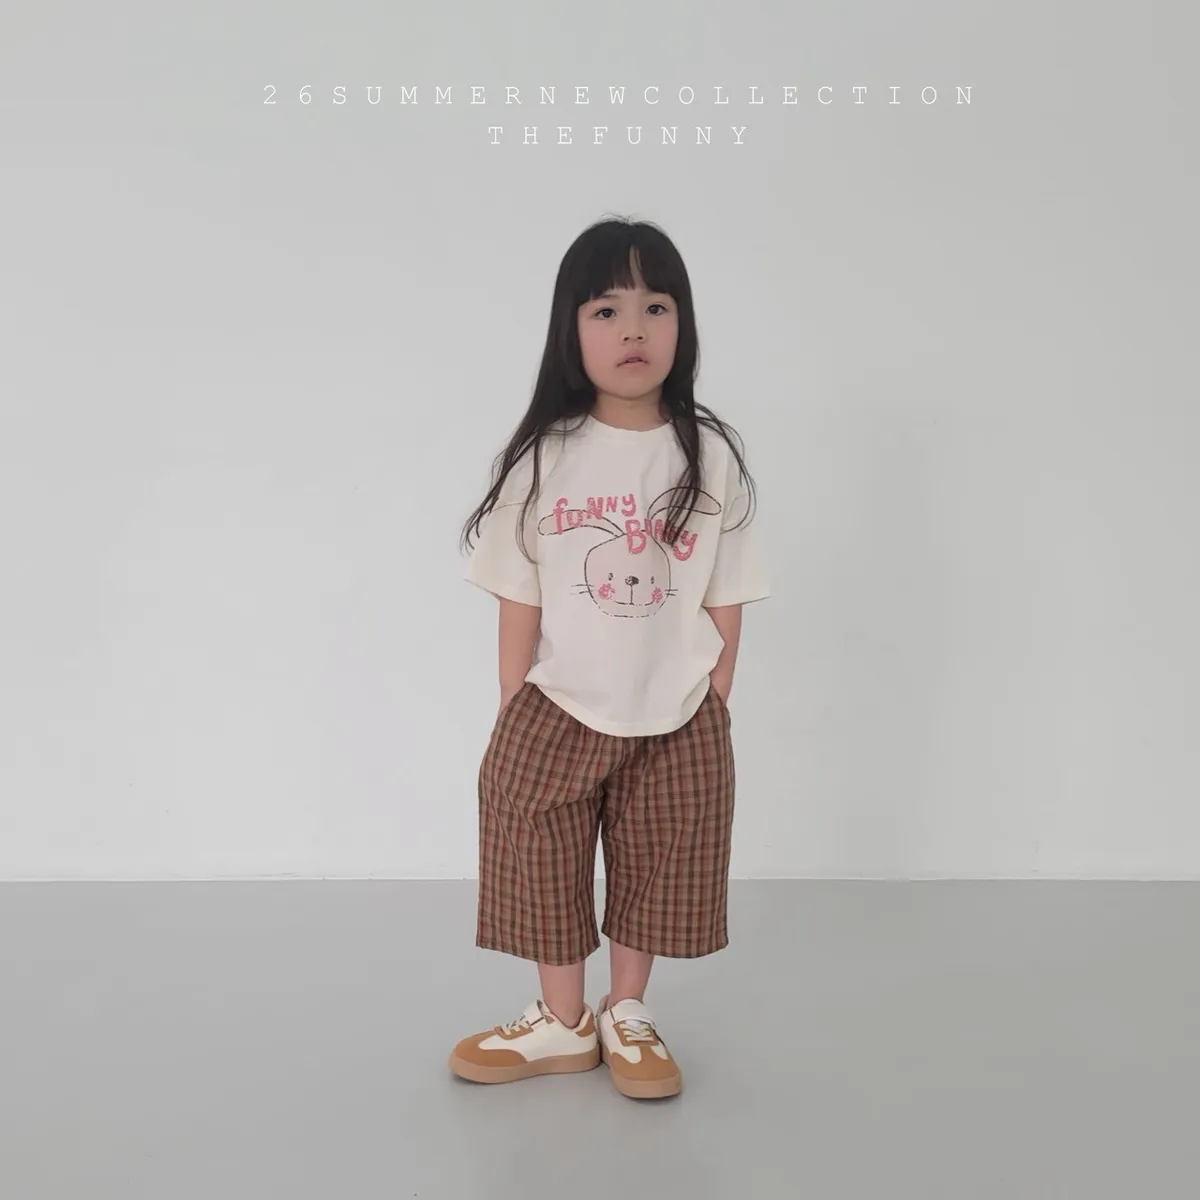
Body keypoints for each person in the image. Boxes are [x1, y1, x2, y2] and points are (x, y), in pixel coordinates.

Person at [448, 216, 770, 1100]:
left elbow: (727, 585)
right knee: (537, 847)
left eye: (655, 307)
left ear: (683, 324)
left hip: (678, 709)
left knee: (658, 861)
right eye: (606, 310)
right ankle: (563, 1019)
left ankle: (626, 1010)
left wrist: (717, 692)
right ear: (571, 329)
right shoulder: (546, 456)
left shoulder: (707, 454)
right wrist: (513, 699)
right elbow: (519, 589)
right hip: (559, 701)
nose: (634, 329)